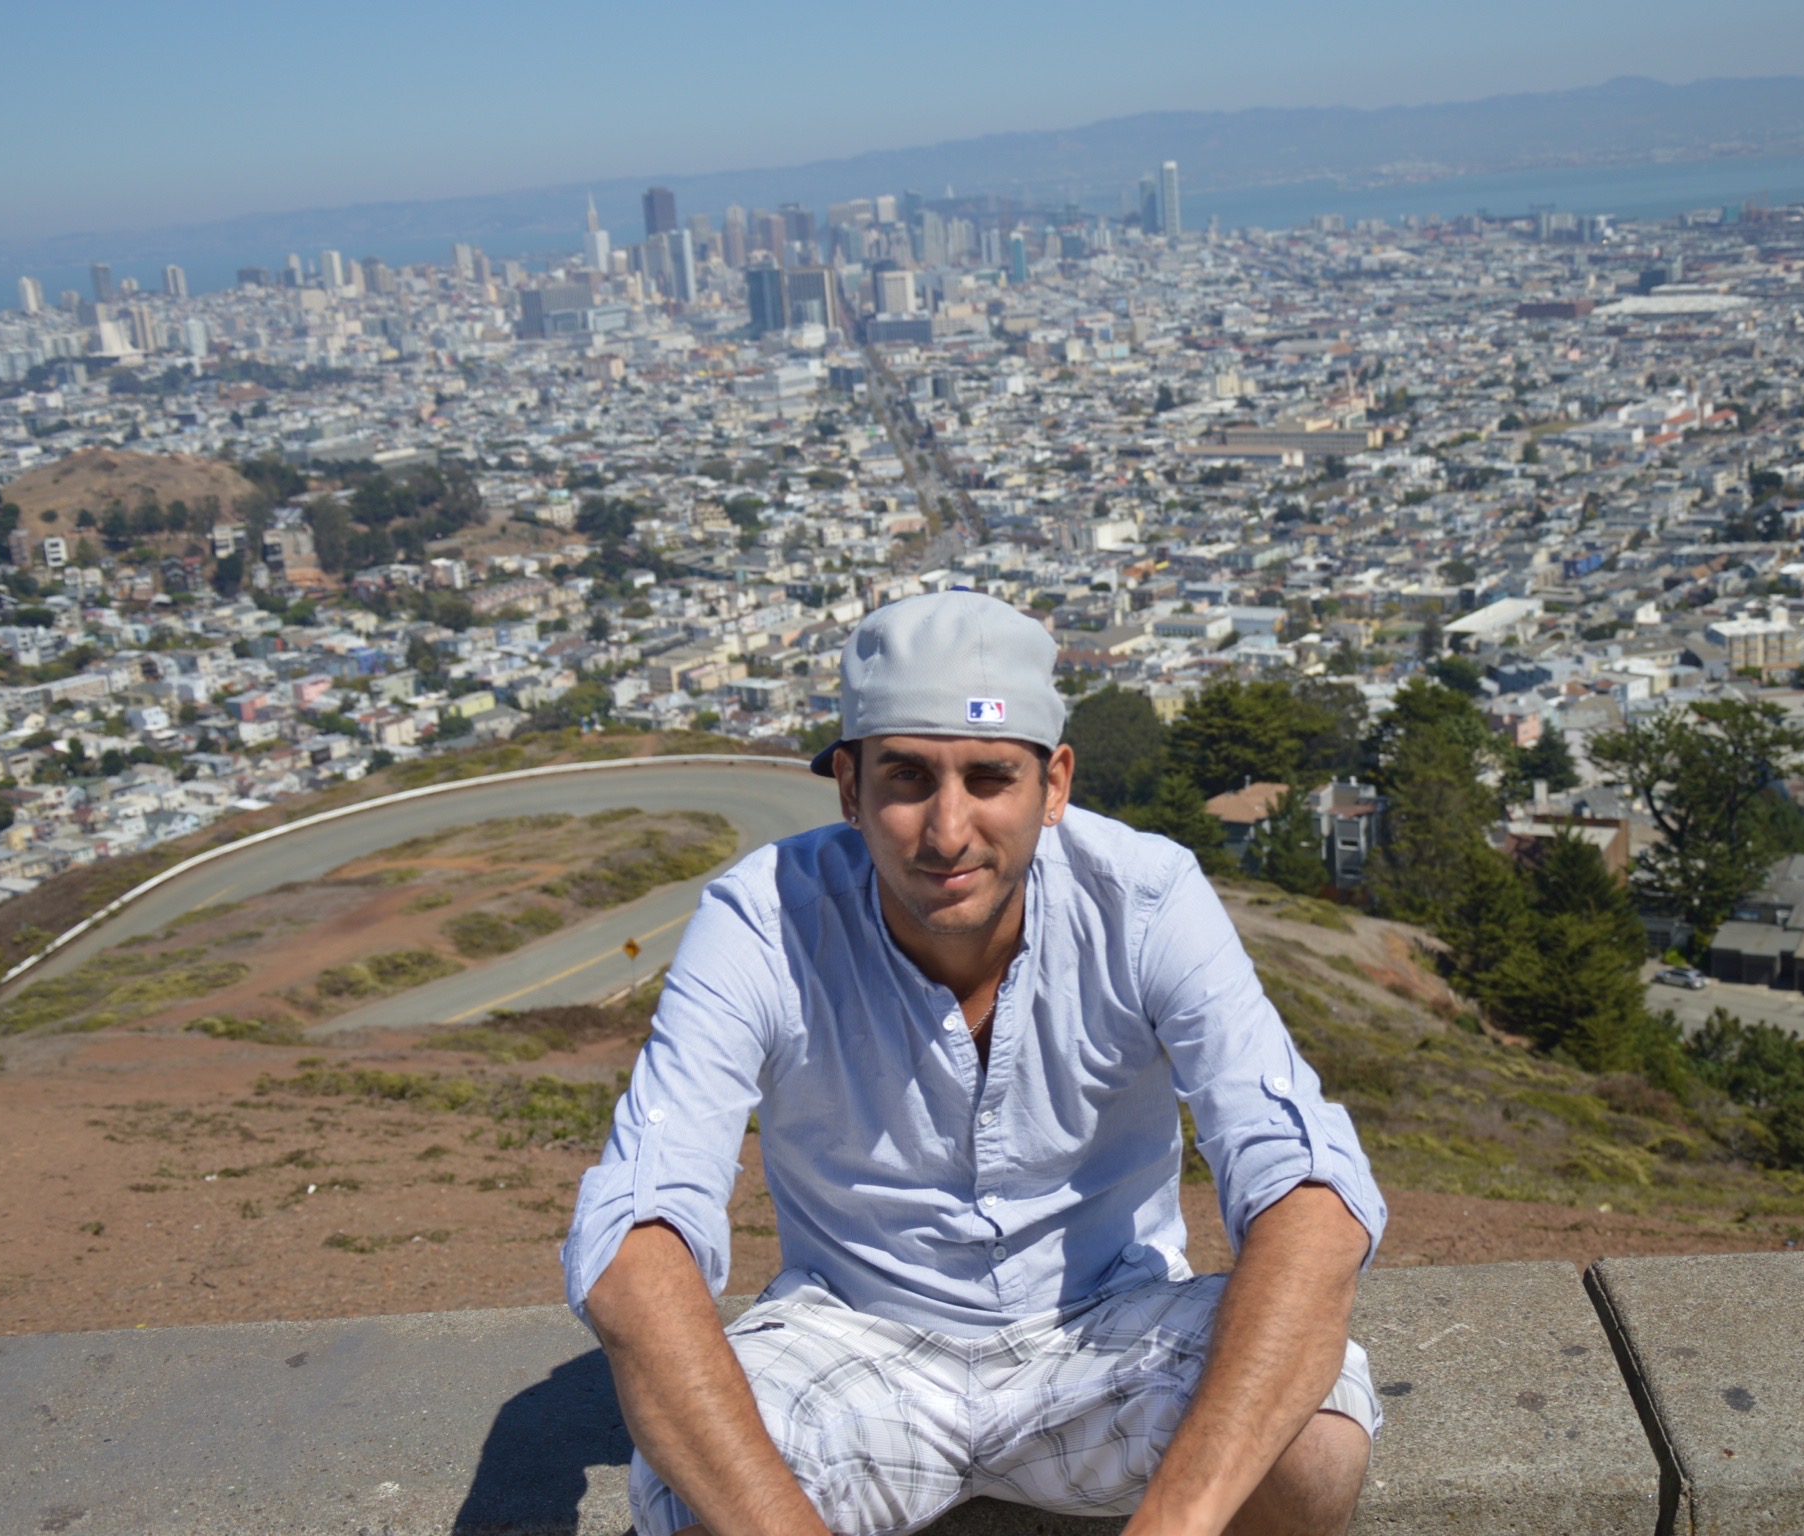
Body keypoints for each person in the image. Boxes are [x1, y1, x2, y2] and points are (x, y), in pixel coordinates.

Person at [564, 590, 1386, 1536]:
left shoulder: (1144, 899)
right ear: (848, 787)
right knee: (699, 1504)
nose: (948, 831)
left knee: (1313, 1445)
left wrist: (1175, 1524)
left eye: (990, 777)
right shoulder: (764, 919)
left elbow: (1311, 1197)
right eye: (908, 778)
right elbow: (635, 1241)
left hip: (1108, 1323)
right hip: (852, 1339)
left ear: (1054, 784)